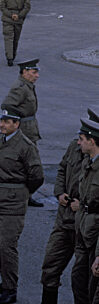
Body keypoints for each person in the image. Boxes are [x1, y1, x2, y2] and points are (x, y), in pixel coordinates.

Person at [0, 107, 44, 304]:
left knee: (8, 246)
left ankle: (11, 290)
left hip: (13, 201)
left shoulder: (26, 146)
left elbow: (37, 176)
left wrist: (22, 192)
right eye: (1, 120)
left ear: (16, 124)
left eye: (7, 122)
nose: (2, 124)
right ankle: (5, 281)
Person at [40, 134, 84, 304]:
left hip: (86, 228)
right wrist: (59, 193)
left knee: (82, 279)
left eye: (83, 138)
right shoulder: (74, 146)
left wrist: (84, 205)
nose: (79, 141)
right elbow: (62, 169)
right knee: (50, 268)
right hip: (64, 221)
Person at [1, 59, 43, 207]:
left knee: (27, 163)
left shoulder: (28, 85)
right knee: (25, 163)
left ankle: (26, 195)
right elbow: (7, 106)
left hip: (29, 129)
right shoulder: (20, 87)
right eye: (34, 72)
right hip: (23, 130)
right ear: (25, 72)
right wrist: (16, 123)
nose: (37, 75)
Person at [71, 117, 99, 304]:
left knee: (92, 288)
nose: (78, 142)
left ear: (92, 141)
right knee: (77, 280)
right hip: (83, 231)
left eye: (82, 139)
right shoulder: (87, 162)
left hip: (95, 236)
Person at [0, 0, 31, 66]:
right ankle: (13, 55)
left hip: (7, 19)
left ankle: (9, 58)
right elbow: (27, 7)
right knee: (15, 39)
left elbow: (2, 7)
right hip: (18, 19)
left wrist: (11, 15)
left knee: (8, 38)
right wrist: (19, 15)